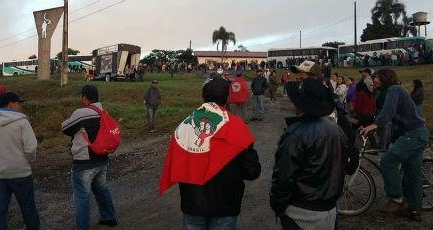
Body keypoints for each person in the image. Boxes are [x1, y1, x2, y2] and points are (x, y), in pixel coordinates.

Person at [159, 77, 261, 230]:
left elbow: (176, 164)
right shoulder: (237, 126)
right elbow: (252, 171)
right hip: (225, 205)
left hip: (192, 204)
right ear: (228, 97)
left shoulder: (185, 125)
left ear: (203, 96)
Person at [270, 78, 348, 230]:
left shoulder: (295, 134)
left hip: (301, 210)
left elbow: (284, 176)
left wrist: (278, 205)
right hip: (330, 208)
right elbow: (344, 166)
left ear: (298, 105)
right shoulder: (336, 130)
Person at [362, 68, 429, 222]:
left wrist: (376, 125)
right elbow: (397, 119)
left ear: (385, 77)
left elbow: (388, 112)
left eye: (376, 77)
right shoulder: (393, 91)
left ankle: (396, 199)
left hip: (413, 135)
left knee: (387, 161)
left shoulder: (394, 89)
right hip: (418, 134)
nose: (374, 80)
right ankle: (414, 211)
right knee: (413, 175)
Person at [0, 92, 40, 230]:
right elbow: (31, 148)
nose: (20, 106)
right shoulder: (22, 122)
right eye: (19, 103)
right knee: (28, 209)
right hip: (21, 173)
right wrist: (27, 161)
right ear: (10, 104)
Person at [61, 85, 117, 229]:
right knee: (101, 188)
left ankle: (83, 226)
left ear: (85, 97)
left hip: (84, 161)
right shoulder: (103, 111)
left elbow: (65, 128)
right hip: (102, 157)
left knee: (82, 196)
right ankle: (109, 216)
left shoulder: (81, 113)